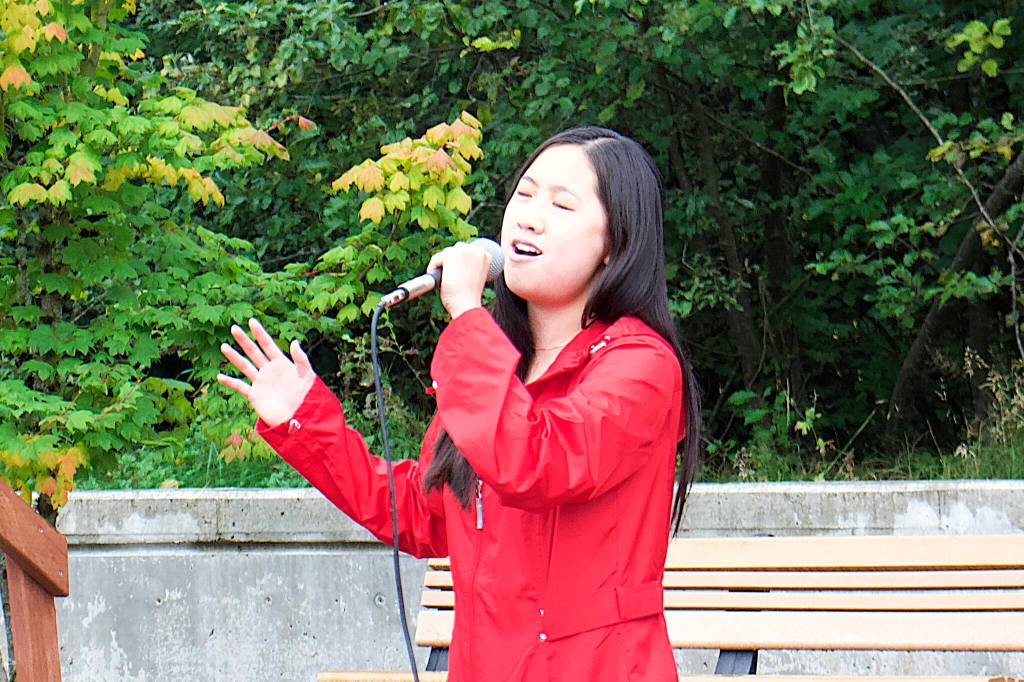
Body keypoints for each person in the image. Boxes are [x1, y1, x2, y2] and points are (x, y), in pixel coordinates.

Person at [217, 127, 702, 682]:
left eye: (561, 204)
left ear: (616, 243)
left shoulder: (640, 365)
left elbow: (535, 464)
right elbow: (423, 513)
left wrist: (468, 313)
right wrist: (303, 422)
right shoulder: (497, 364)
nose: (529, 216)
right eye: (524, 194)